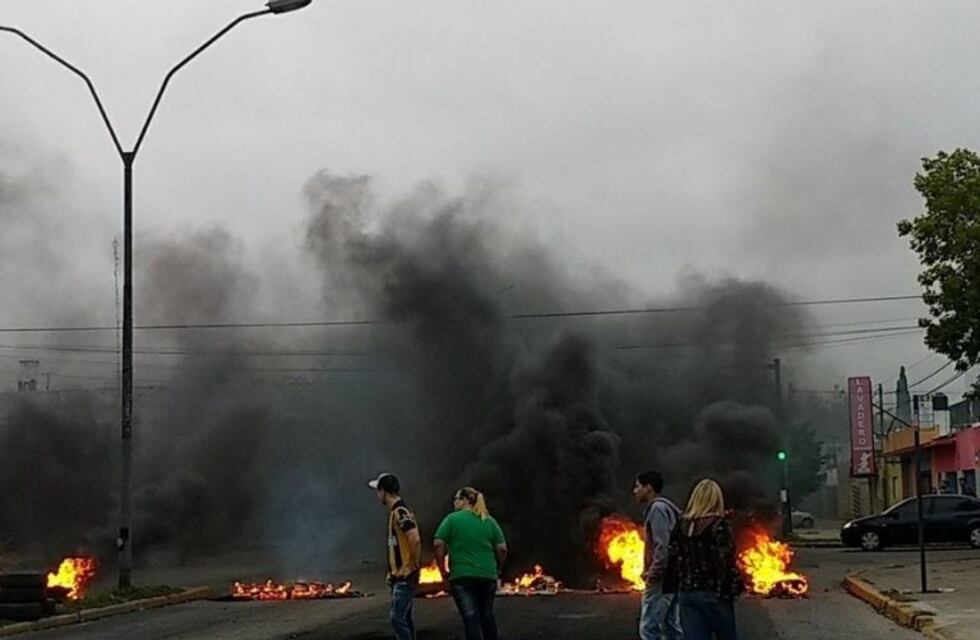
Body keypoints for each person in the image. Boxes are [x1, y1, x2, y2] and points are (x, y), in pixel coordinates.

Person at [664, 479, 743, 640]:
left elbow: (672, 557)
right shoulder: (719, 526)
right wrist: (734, 587)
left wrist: (672, 585)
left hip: (687, 593)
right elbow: (725, 561)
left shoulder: (680, 526)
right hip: (714, 593)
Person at [433, 486, 507, 640]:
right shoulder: (488, 521)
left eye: (456, 499)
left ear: (465, 500)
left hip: (462, 577)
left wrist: (442, 569)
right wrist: (498, 568)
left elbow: (438, 544)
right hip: (488, 576)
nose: (454, 503)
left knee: (470, 617)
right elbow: (502, 549)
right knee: (487, 615)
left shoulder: (452, 519)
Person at [369, 472, 422, 640]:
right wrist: (391, 571)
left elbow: (415, 539)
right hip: (398, 575)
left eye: (378, 491)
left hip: (404, 576)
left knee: (397, 618)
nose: (378, 496)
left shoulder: (400, 511)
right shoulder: (395, 512)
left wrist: (411, 566)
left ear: (383, 491)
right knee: (405, 618)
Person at [633, 470, 683, 640]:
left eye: (637, 486)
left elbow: (662, 546)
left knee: (649, 629)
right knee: (671, 627)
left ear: (648, 488)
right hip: (672, 576)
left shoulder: (657, 509)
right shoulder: (666, 508)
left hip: (661, 579)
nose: (634, 491)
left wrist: (652, 574)